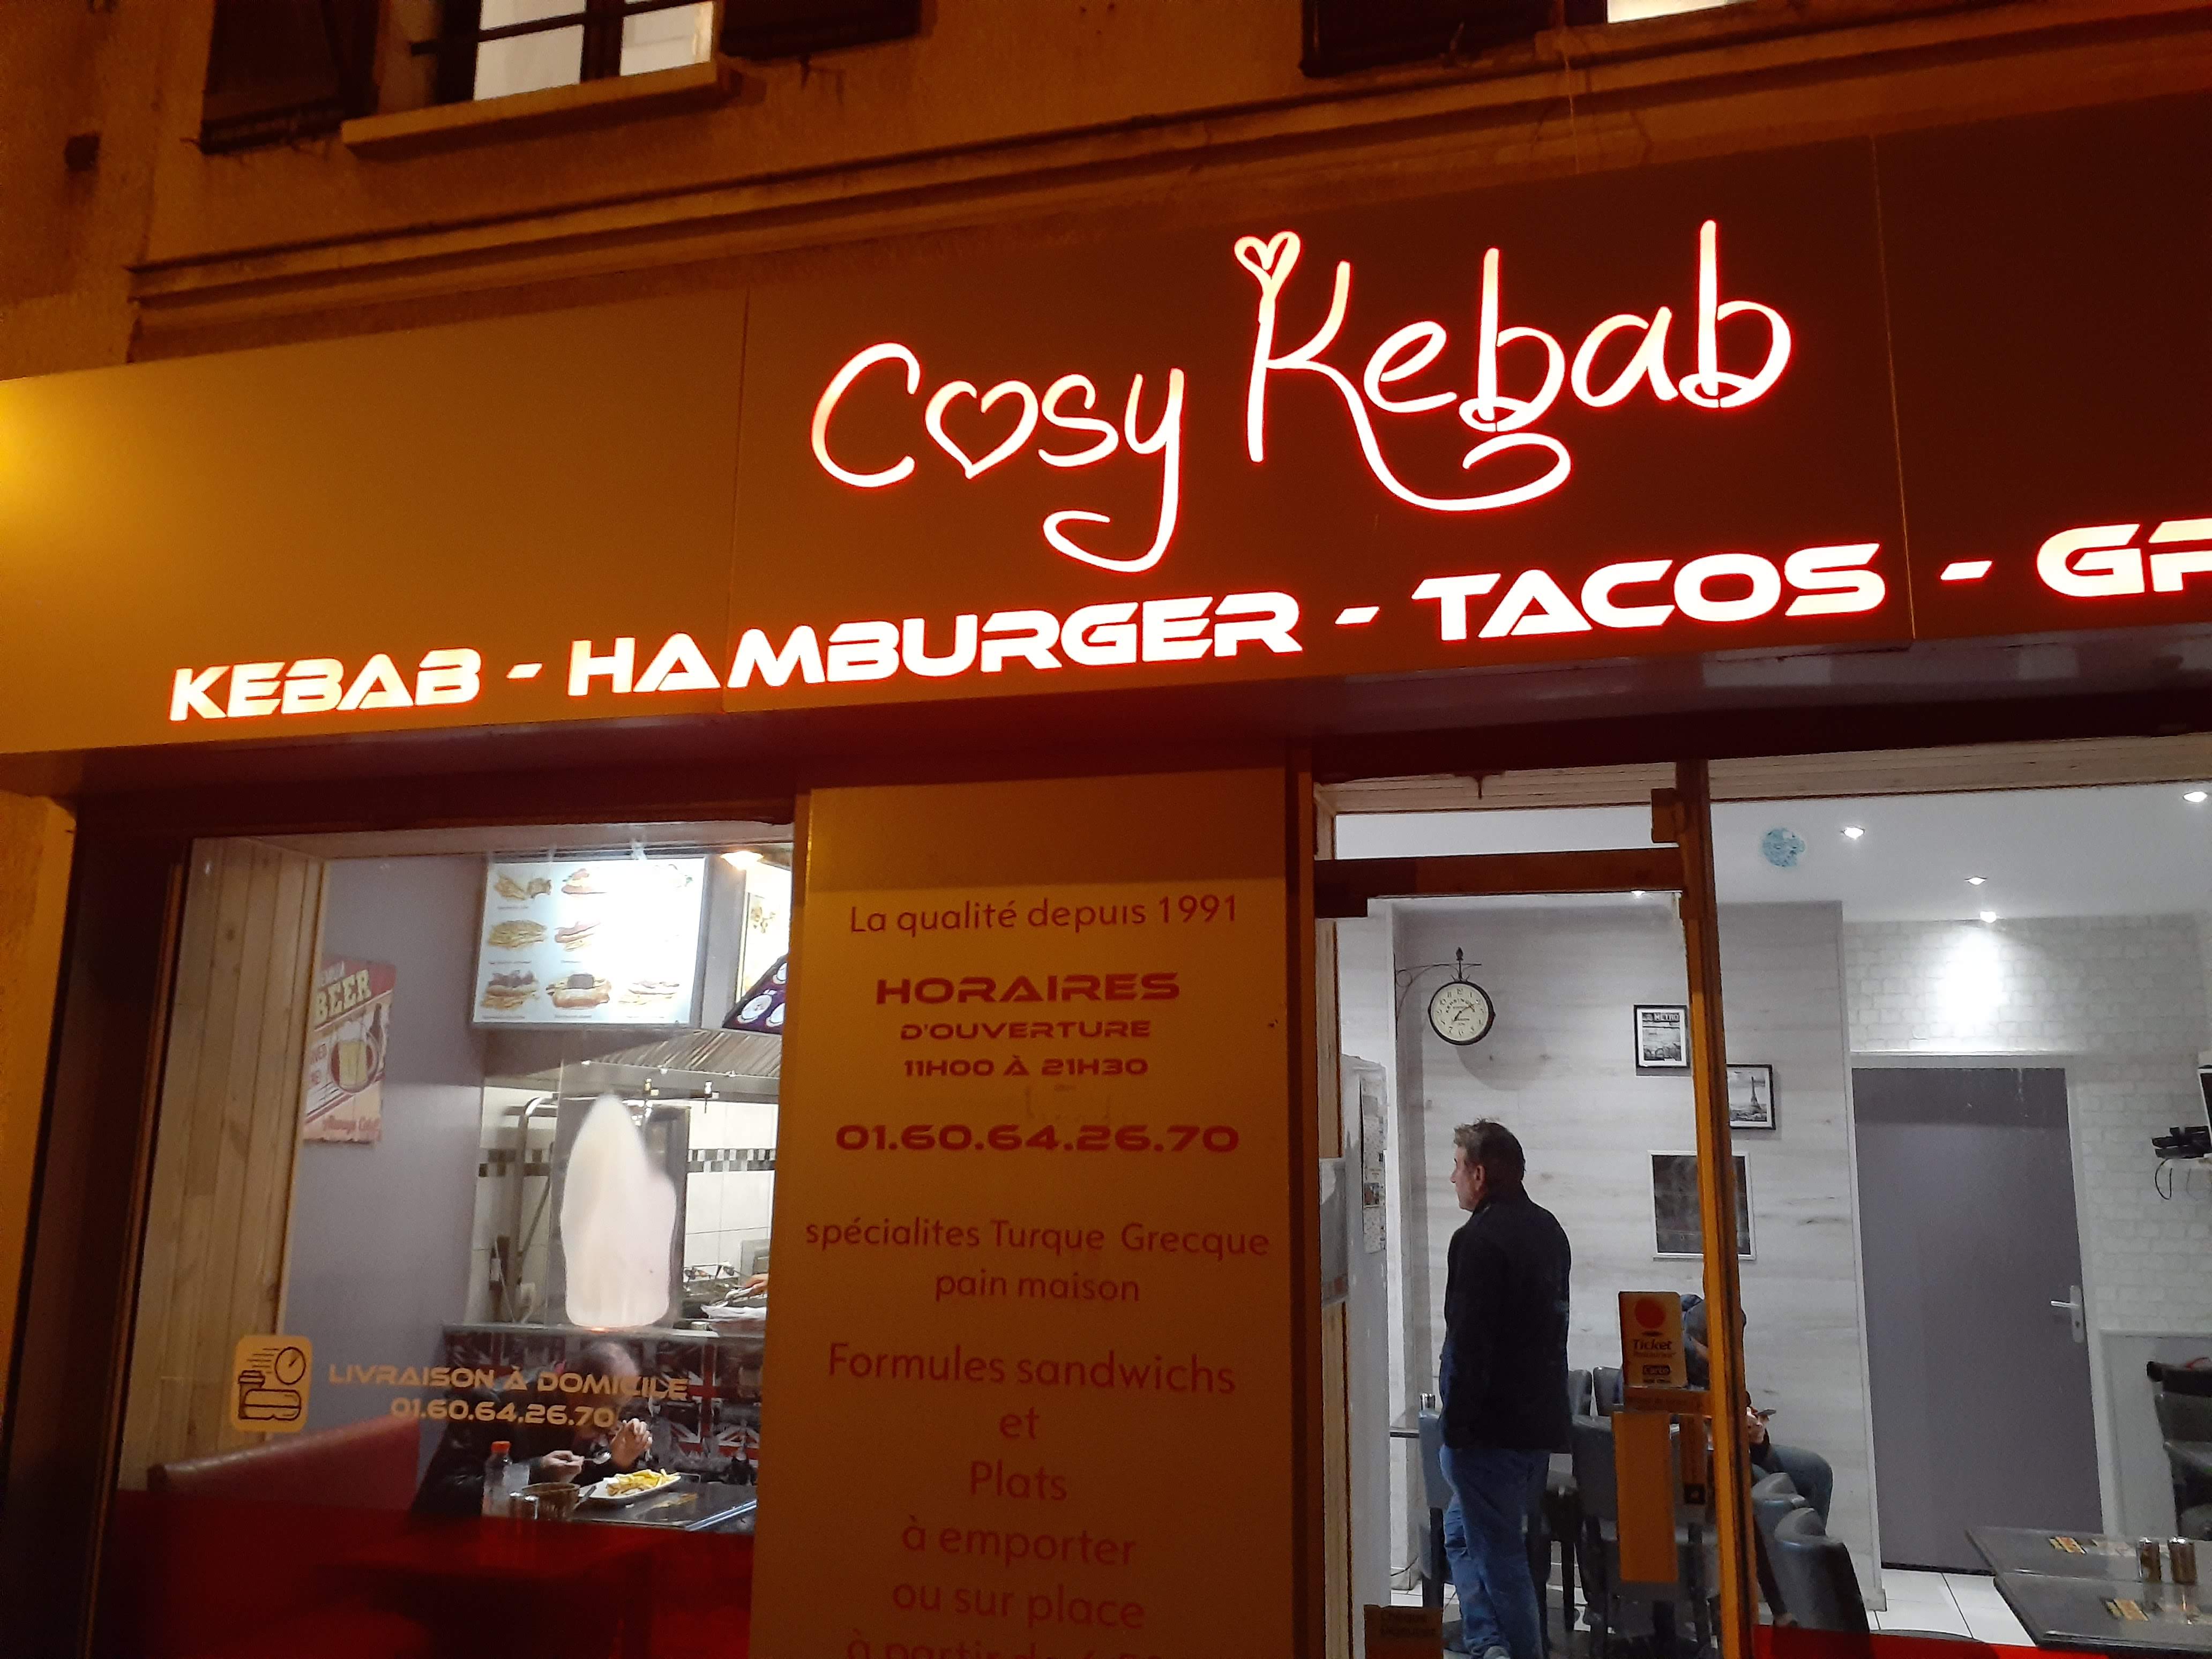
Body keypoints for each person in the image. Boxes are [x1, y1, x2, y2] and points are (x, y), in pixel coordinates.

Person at [1439, 1121, 1572, 1659]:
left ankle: (1515, 1649)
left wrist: (1456, 1425)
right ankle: (1488, 1642)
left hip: (1488, 1429)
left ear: (1479, 1173)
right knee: (1460, 1534)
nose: (1451, 1178)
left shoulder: (1476, 1240)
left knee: (1501, 1558)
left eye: (1457, 1167)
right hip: (1538, 1422)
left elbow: (1468, 1342)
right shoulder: (1549, 1229)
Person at [412, 1339, 658, 1517]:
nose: (614, 1421)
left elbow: (570, 1481)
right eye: (611, 1406)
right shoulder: (493, 1403)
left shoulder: (572, 1411)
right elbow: (441, 1497)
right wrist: (536, 1473)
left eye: (621, 1409)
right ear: (577, 1388)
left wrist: (617, 1463)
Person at [1681, 1294, 1833, 1523]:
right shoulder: (1668, 1359)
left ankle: (1807, 1543)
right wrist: (1711, 1424)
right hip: (1698, 1457)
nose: (1727, 1355)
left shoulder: (1724, 1361)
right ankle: (1772, 1545)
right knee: (1766, 1483)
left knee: (1816, 1471)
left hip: (1736, 1450)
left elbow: (1742, 1406)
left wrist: (1757, 1436)